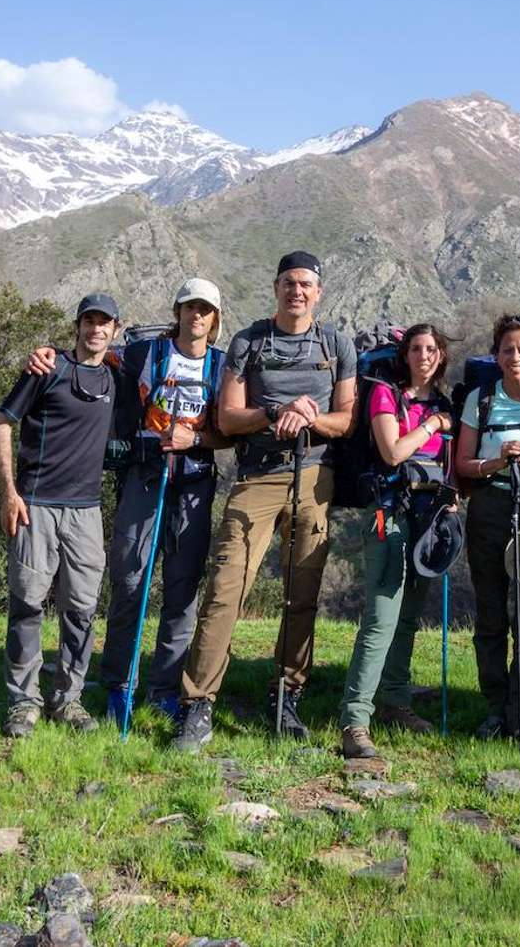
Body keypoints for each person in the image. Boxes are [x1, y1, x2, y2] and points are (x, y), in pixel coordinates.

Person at [172, 251, 359, 751]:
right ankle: (197, 705)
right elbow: (229, 419)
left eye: (305, 284)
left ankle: (287, 697)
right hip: (256, 478)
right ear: (275, 287)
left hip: (315, 477)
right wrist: (277, 411)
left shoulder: (338, 344)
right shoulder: (248, 342)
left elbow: (345, 421)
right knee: (224, 590)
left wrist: (308, 417)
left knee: (302, 594)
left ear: (318, 292)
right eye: (288, 283)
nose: (296, 292)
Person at [26, 279, 229, 728]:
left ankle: (162, 689)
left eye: (205, 310)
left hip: (194, 484)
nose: (196, 316)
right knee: (129, 582)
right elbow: (90, 359)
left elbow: (229, 430)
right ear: (177, 312)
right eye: (189, 307)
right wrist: (48, 355)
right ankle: (119, 684)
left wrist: (193, 437)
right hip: (143, 479)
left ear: (215, 320)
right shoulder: (143, 355)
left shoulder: (222, 365)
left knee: (182, 591)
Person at [0, 292, 121, 738]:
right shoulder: (48, 370)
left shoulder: (116, 376)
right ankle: (23, 702)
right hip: (36, 506)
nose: (96, 329)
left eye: (105, 322)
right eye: (89, 321)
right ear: (78, 325)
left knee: (81, 610)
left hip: (87, 512)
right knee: (27, 605)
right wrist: (10, 492)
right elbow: (3, 422)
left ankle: (68, 699)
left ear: (115, 330)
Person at [337, 324, 458, 758]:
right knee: (381, 617)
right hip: (390, 513)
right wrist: (432, 427)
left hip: (431, 517)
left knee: (408, 616)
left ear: (441, 356)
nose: (424, 356)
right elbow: (391, 451)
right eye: (416, 349)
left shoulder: (447, 404)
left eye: (431, 350)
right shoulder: (386, 394)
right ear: (404, 355)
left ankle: (395, 700)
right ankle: (355, 719)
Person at [452, 314, 520, 741]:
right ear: (495, 355)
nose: (514, 357)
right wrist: (496, 462)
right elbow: (463, 464)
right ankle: (496, 706)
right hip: (491, 507)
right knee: (492, 613)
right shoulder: (480, 400)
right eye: (506, 349)